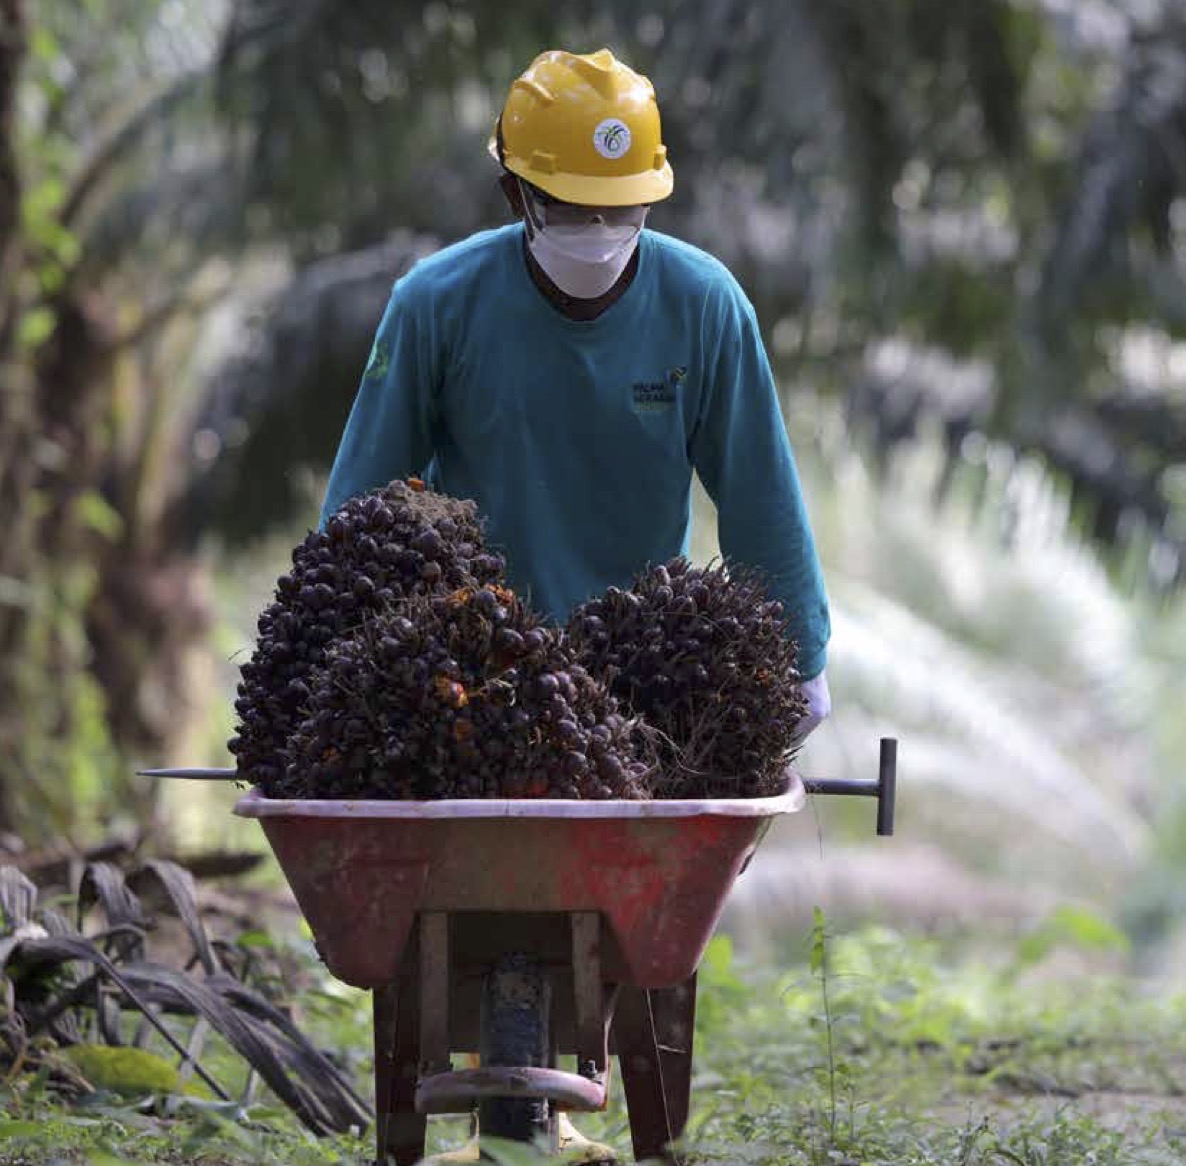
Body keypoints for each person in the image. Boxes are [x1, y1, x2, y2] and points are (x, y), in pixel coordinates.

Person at [319, 47, 832, 1165]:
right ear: (517, 196)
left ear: (651, 199)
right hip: (472, 675)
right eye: (572, 209)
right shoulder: (438, 304)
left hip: (641, 684)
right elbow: (358, 508)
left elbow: (761, 498)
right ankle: (428, 1107)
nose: (600, 233)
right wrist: (321, 679)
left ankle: (636, 1106)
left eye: (624, 210)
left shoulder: (705, 308)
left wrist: (801, 660)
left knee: (646, 919)